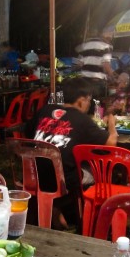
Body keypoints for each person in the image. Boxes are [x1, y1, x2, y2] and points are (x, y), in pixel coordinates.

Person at [27, 77, 117, 228]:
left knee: (66, 160)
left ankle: (55, 209)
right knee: (97, 171)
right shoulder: (82, 119)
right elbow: (111, 143)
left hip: (33, 175)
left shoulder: (45, 110)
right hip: (64, 181)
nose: (89, 104)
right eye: (89, 100)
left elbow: (29, 132)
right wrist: (112, 122)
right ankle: (88, 219)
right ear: (82, 100)